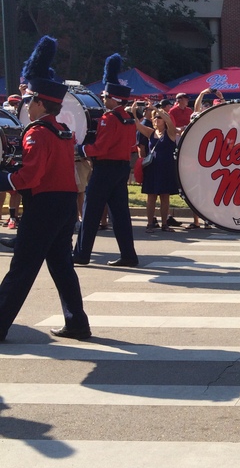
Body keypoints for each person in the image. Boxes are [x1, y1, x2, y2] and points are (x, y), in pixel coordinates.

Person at [0, 36, 91, 341]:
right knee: (62, 266)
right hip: (63, 205)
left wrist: (5, 178)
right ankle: (76, 322)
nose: (26, 105)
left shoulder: (37, 132)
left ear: (38, 102)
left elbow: (30, 178)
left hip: (44, 206)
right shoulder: (62, 130)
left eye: (28, 101)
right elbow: (48, 168)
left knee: (22, 268)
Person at [73, 53, 139, 267]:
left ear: (112, 98)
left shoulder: (109, 119)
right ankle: (129, 255)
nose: (103, 99)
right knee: (120, 215)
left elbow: (100, 147)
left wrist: (81, 148)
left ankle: (82, 254)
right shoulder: (129, 118)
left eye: (105, 97)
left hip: (105, 169)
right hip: (120, 168)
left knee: (91, 212)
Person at [133, 103, 179, 232]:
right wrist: (134, 112)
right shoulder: (151, 133)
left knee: (165, 196)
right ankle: (150, 223)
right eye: (155, 117)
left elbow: (169, 121)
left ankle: (165, 224)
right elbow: (137, 125)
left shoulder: (170, 132)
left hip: (166, 168)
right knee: (151, 196)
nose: (157, 119)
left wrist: (156, 109)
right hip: (152, 168)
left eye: (159, 117)